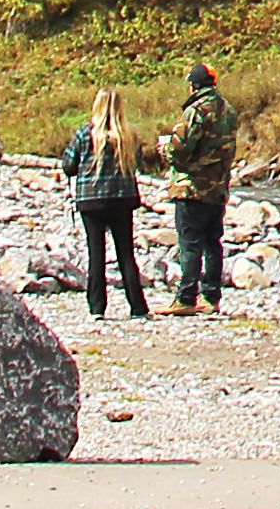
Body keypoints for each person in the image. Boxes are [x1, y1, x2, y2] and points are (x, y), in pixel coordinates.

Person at [63, 90, 150, 319]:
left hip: (91, 200)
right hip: (122, 198)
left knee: (96, 254)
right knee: (126, 254)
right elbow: (139, 164)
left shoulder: (85, 133)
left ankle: (97, 307)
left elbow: (68, 165)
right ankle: (138, 307)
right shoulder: (128, 136)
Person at [161, 64, 239, 311]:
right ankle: (211, 298)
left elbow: (179, 150)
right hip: (218, 188)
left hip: (191, 188)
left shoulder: (195, 111)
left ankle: (185, 298)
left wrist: (164, 149)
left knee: (190, 243)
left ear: (193, 85)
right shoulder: (229, 111)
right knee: (213, 243)